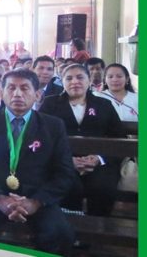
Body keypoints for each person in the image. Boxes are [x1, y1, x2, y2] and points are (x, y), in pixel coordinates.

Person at [0, 69, 77, 255]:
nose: (17, 94)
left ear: (37, 95)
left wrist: (36, 202)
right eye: (11, 88)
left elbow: (64, 172)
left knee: (60, 232)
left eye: (24, 88)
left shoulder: (53, 126)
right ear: (3, 92)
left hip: (37, 195)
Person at [39, 64, 125, 216]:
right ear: (62, 81)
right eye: (69, 78)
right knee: (69, 185)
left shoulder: (103, 104)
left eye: (80, 77)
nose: (74, 82)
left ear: (89, 80)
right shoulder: (50, 103)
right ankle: (71, 229)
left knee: (102, 186)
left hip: (99, 163)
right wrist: (68, 160)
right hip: (62, 162)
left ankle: (98, 229)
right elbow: (39, 137)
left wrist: (99, 158)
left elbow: (119, 138)